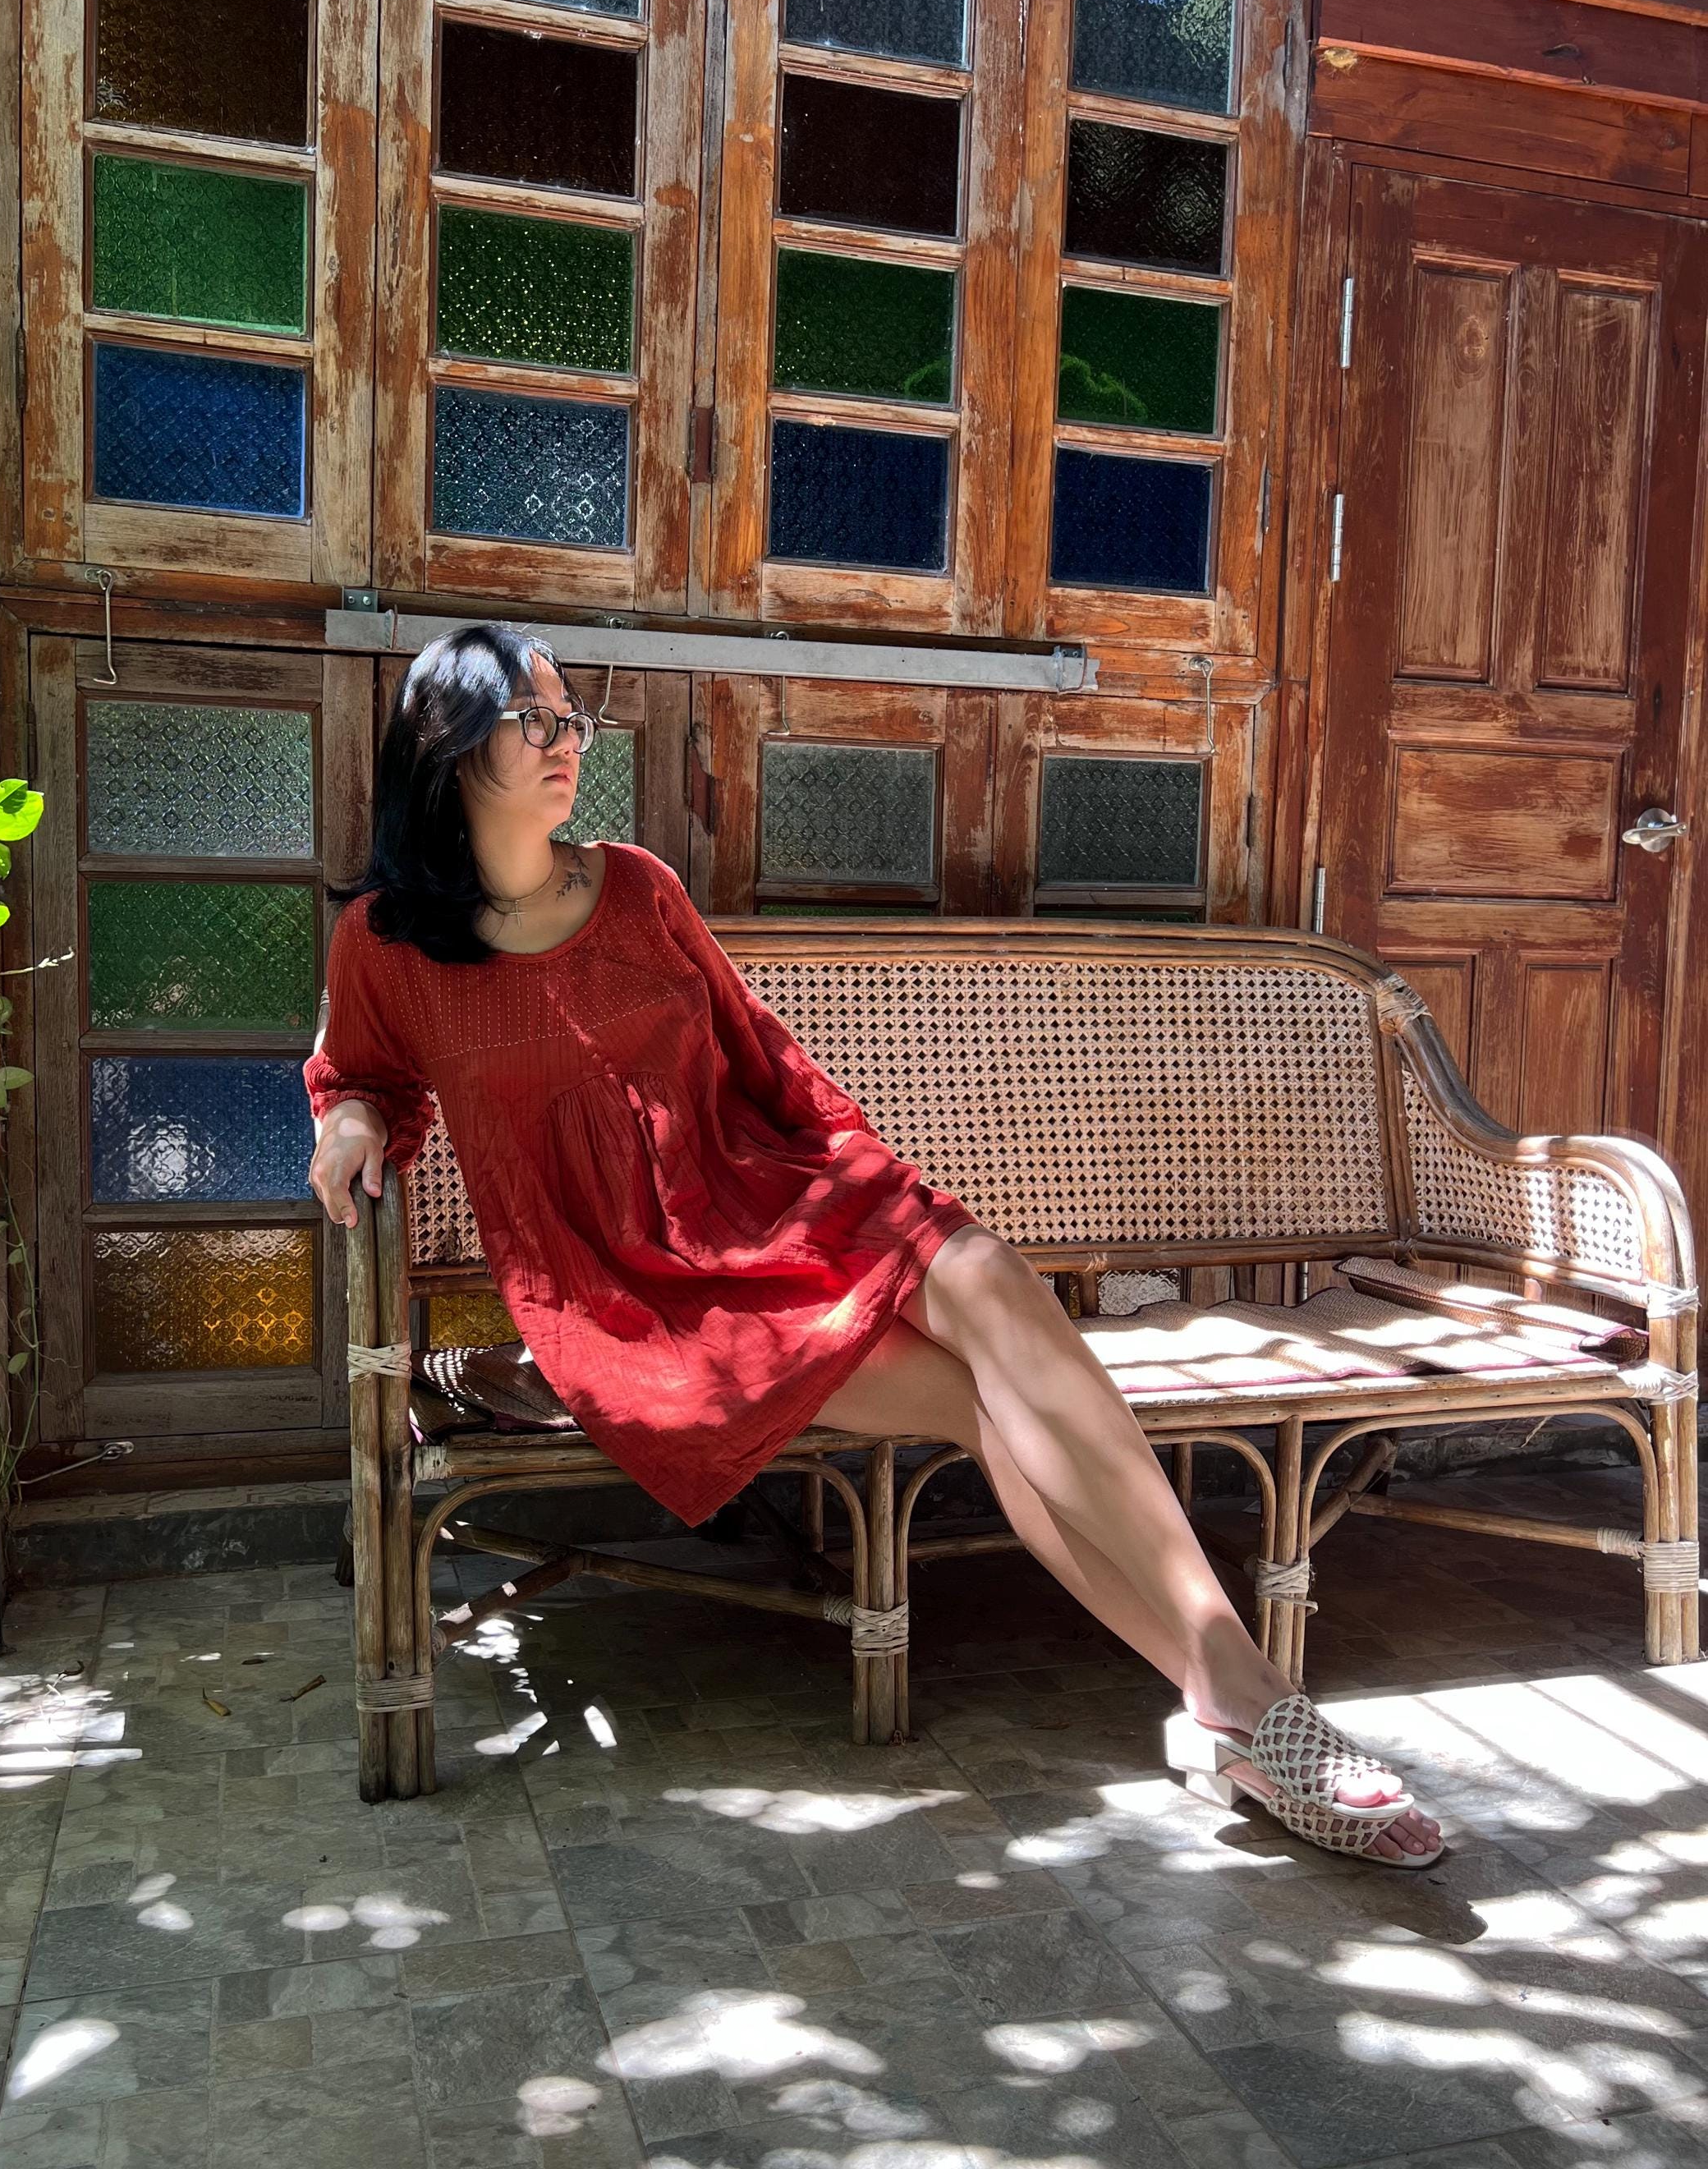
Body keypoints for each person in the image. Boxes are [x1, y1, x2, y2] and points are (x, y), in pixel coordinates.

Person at [305, 626, 1443, 1868]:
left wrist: (876, 1201)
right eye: (533, 718)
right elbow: (364, 1076)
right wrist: (350, 1118)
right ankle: (1245, 1708)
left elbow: (763, 1060)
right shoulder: (387, 943)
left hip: (783, 1199)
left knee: (989, 1278)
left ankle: (1243, 1694)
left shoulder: (634, 886)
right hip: (645, 1298)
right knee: (974, 1404)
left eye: (571, 716)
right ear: (448, 744)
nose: (566, 740)